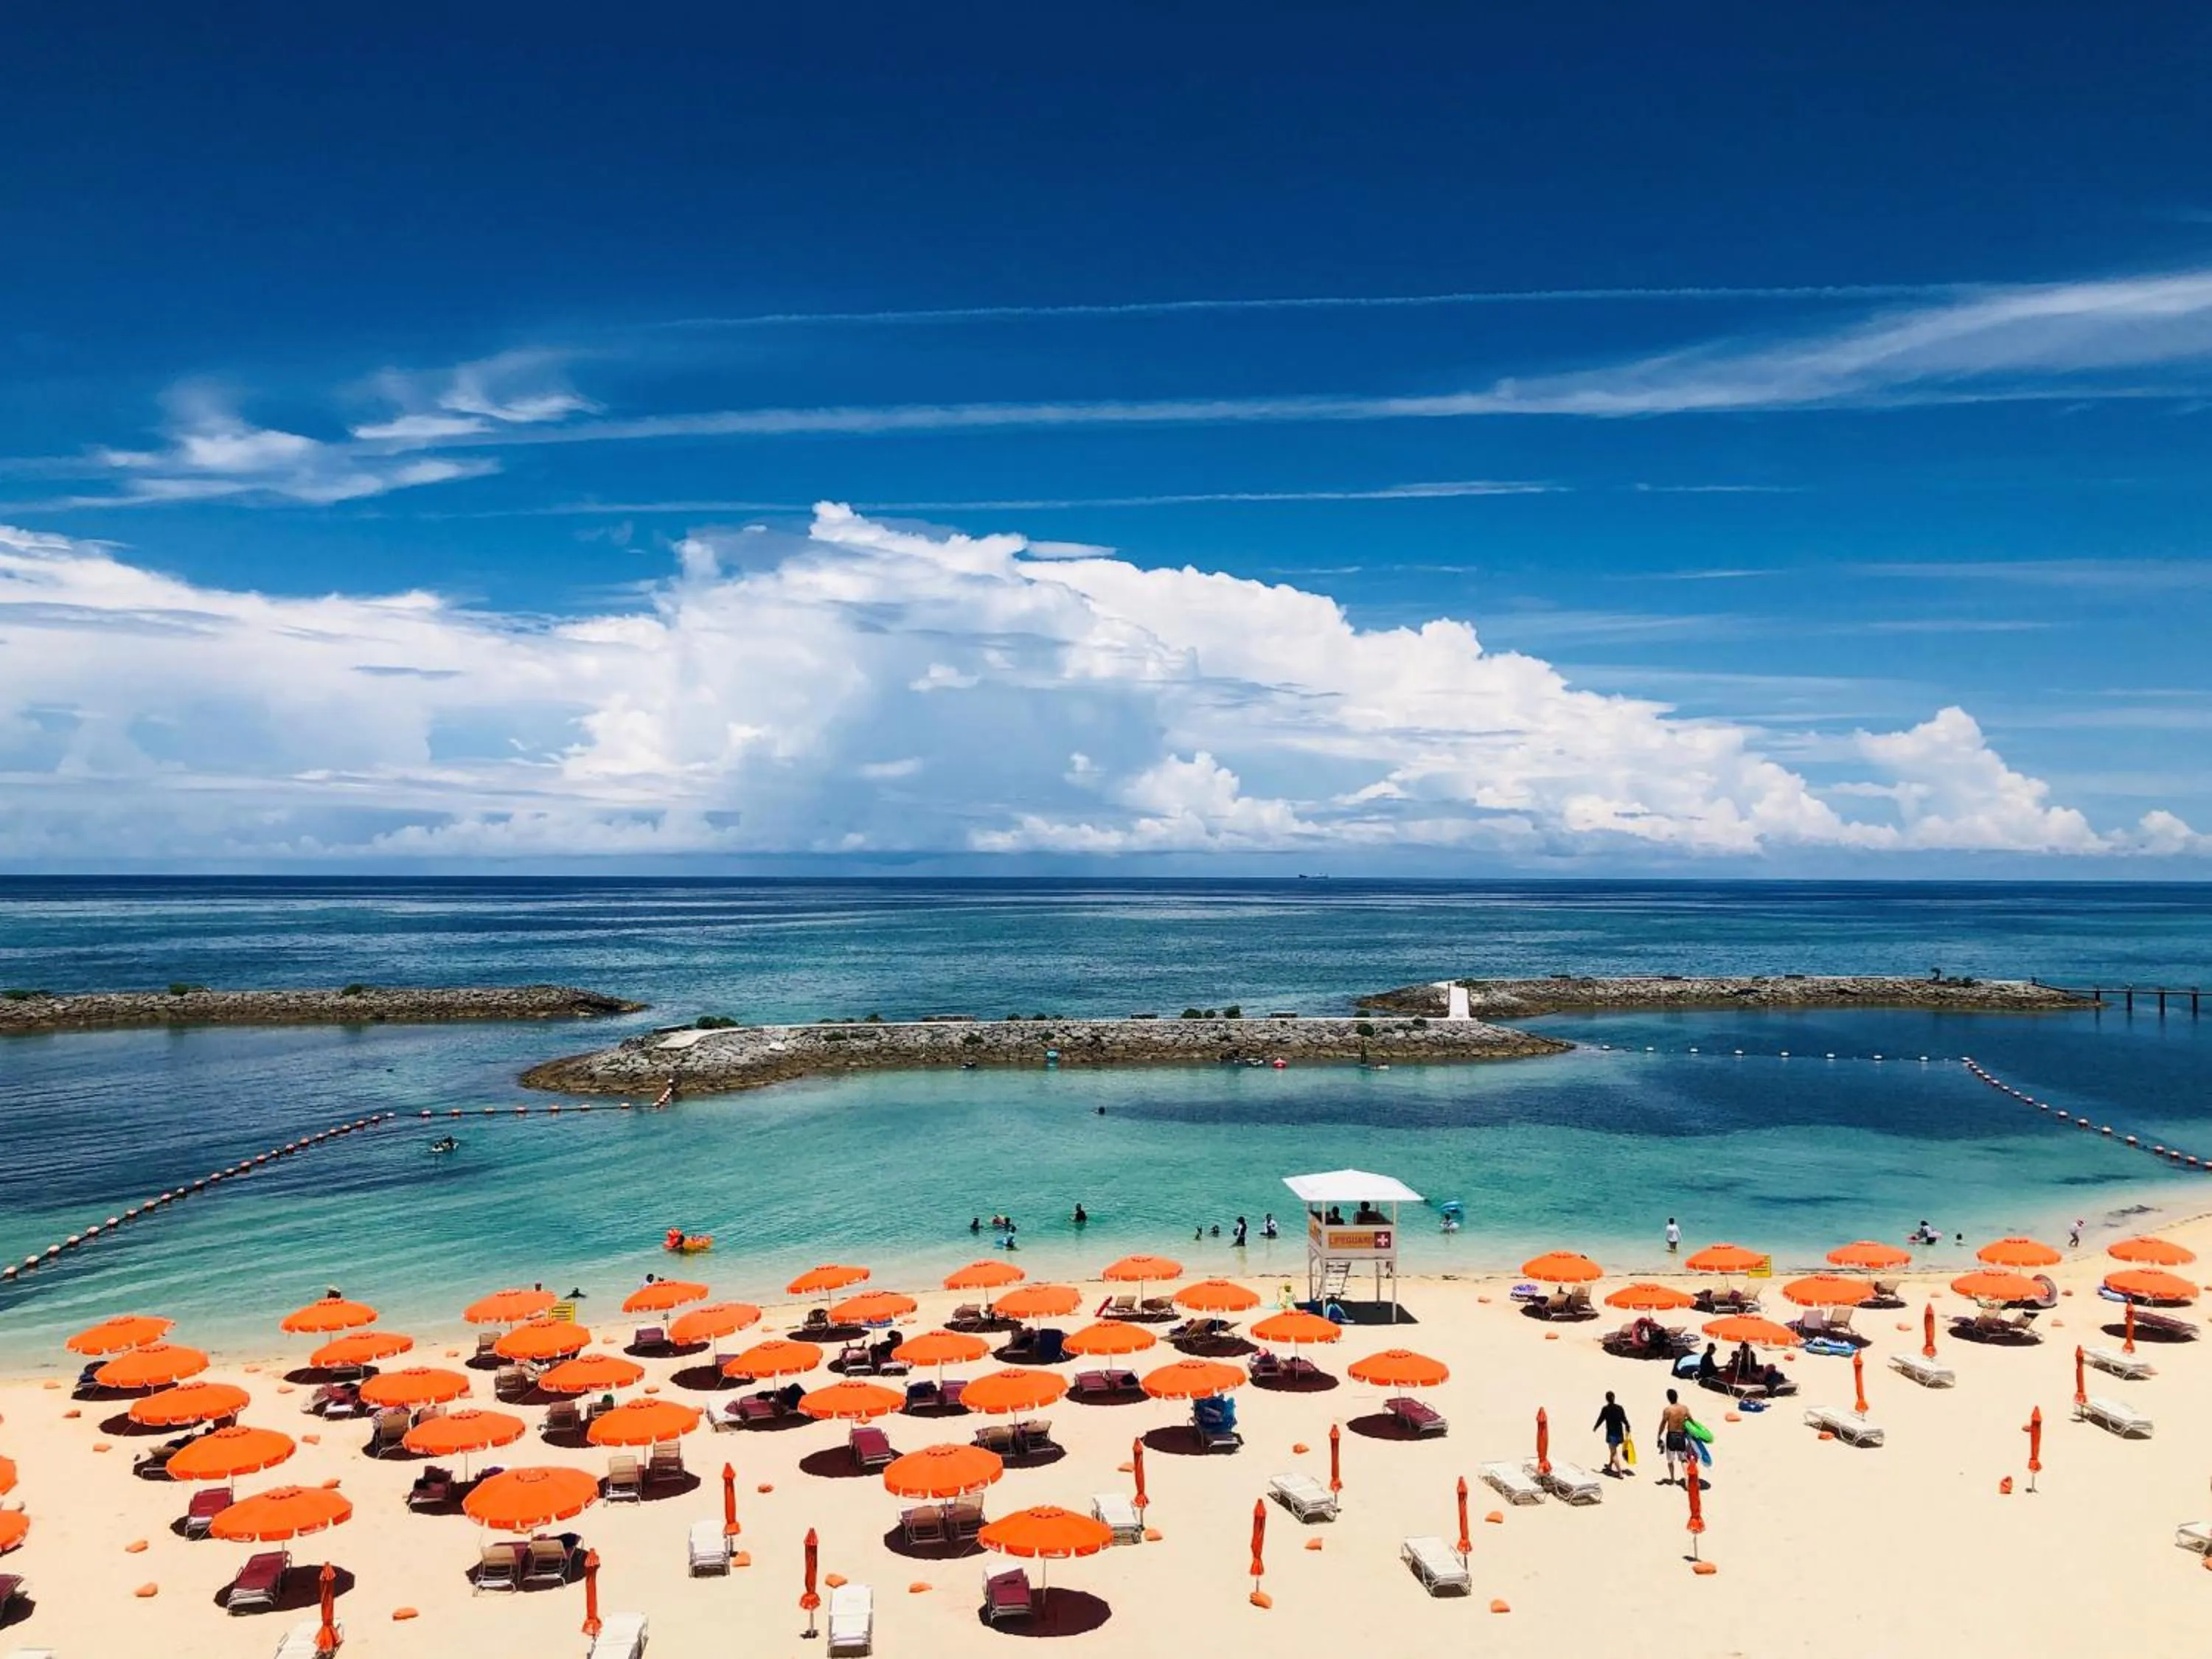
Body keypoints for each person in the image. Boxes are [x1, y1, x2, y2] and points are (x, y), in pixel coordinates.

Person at [1658, 1388, 1694, 1485]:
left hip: (1671, 1436)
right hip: (1681, 1435)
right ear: (1677, 1397)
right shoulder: (1684, 1408)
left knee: (1670, 1460)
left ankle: (1672, 1479)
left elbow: (1663, 1424)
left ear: (1668, 1398)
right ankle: (1687, 1480)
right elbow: (1691, 1420)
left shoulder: (1667, 1410)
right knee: (1683, 1459)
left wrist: (1659, 1436)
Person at [1593, 1391, 1632, 1475]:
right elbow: (1624, 1419)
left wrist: (1596, 1427)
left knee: (1614, 1453)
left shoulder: (1605, 1409)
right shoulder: (1620, 1408)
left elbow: (1601, 1419)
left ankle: (1620, 1473)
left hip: (1612, 1435)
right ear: (1614, 1398)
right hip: (1620, 1435)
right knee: (1613, 1450)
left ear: (1606, 1399)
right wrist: (1628, 1426)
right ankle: (1610, 1465)